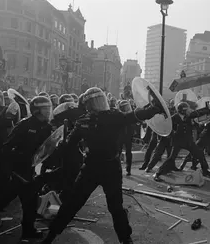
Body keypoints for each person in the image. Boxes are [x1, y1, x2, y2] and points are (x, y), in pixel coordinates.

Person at [42, 87, 165, 244]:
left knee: (73, 204)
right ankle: (126, 240)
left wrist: (51, 158)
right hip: (108, 168)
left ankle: (50, 237)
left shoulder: (85, 121)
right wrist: (154, 109)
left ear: (88, 104)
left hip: (93, 168)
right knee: (114, 208)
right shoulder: (111, 116)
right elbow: (134, 116)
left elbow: (67, 145)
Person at [0, 96, 53, 242]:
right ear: (36, 110)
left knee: (30, 203)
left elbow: (46, 150)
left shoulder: (47, 127)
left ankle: (28, 230)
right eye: (45, 108)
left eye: (48, 108)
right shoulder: (24, 125)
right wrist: (15, 163)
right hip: (18, 172)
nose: (48, 112)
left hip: (32, 172)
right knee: (4, 199)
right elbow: (7, 147)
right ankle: (28, 230)